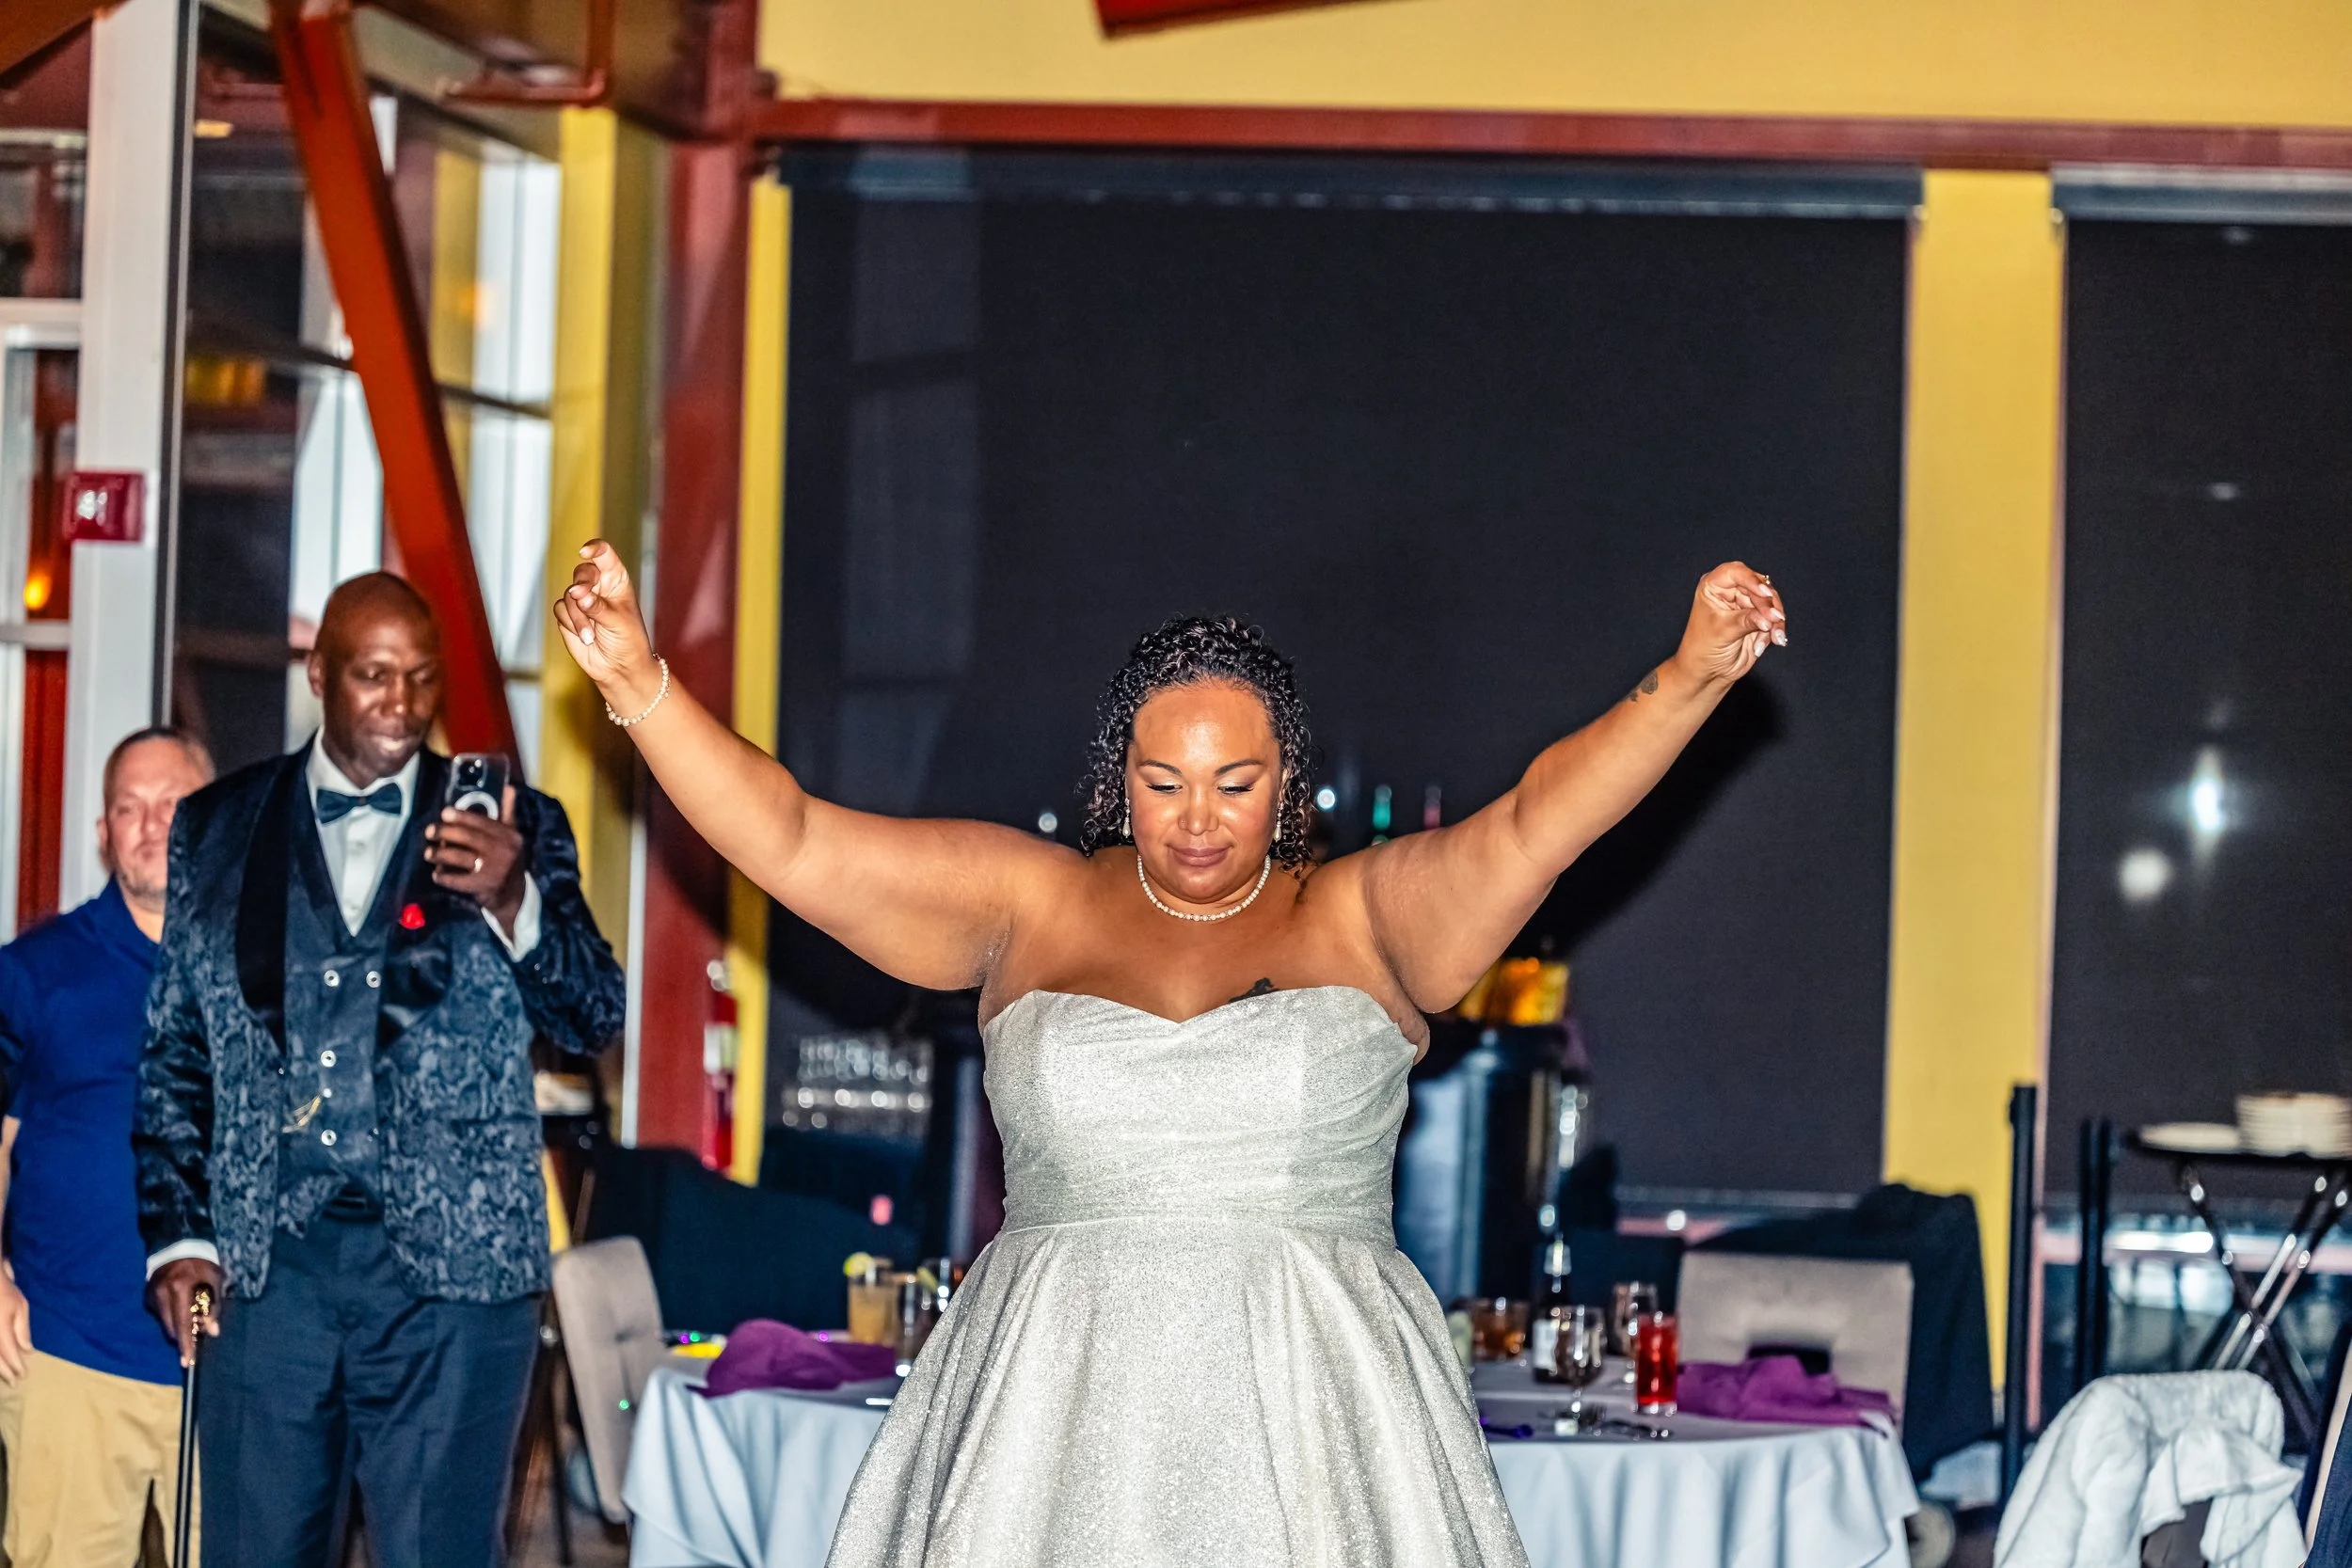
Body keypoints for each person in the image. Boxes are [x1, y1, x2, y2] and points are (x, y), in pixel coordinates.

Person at [555, 539, 1787, 1568]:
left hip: (1320, 1424)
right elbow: (793, 835)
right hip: (1045, 1426)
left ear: (1287, 781)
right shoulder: (1028, 903)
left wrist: (1689, 675)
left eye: (1234, 782)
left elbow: (1536, 818)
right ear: (1120, 779)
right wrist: (639, 682)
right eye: (1164, 781)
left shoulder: (1368, 915)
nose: (1199, 818)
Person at [137, 572, 628, 1568]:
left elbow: (593, 1011)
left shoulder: (520, 824)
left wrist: (516, 902)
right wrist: (179, 1232)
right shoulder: (218, 827)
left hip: (456, 1283)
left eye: (421, 677)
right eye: (373, 675)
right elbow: (177, 1047)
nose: (402, 703)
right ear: (319, 674)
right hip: (268, 1270)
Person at [0, 728, 213, 1567]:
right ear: (103, 831)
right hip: (69, 1355)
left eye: (173, 804)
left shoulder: (265, 969)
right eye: (130, 807)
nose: (151, 824)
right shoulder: (34, 970)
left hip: (233, 1369)